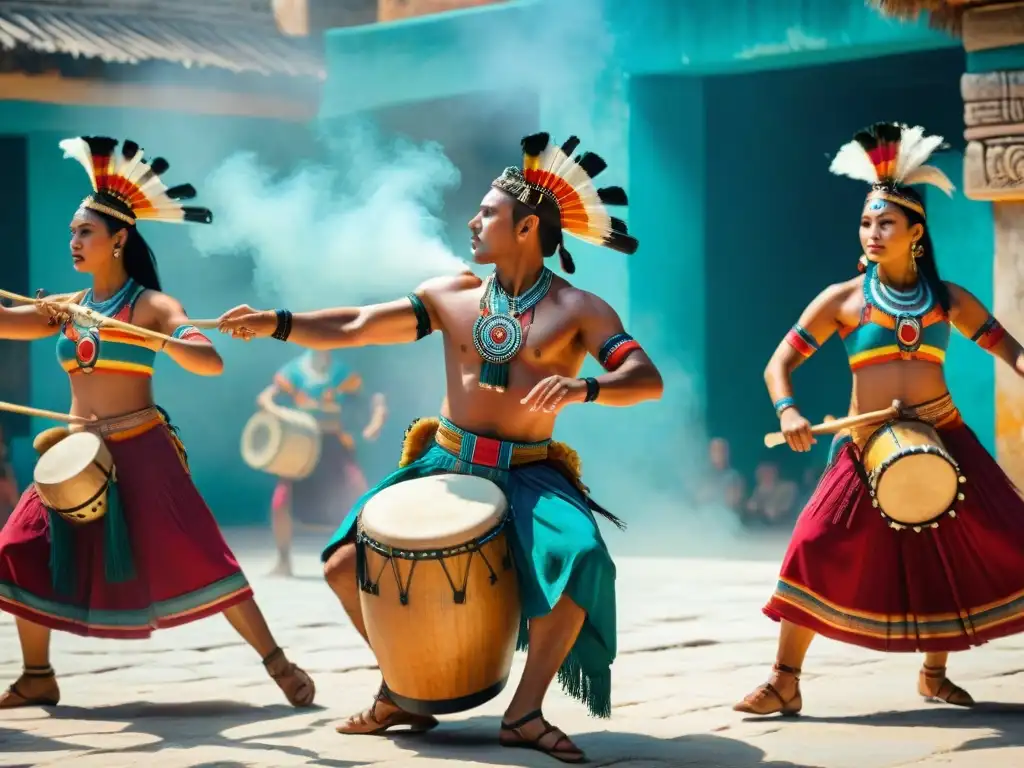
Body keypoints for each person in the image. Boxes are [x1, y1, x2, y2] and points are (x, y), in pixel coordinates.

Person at [218, 131, 663, 762]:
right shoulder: (451, 295)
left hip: (530, 474)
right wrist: (276, 322)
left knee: (585, 558)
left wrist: (584, 386)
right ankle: (404, 689)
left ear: (529, 227)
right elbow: (354, 325)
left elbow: (646, 380)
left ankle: (526, 713)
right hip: (446, 462)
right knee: (343, 563)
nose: (473, 221)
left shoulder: (579, 309)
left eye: (488, 213)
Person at [0, 136, 314, 709]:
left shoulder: (149, 307)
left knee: (199, 552)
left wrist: (171, 338)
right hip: (74, 452)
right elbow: (6, 323)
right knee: (19, 544)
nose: (73, 241)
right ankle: (37, 674)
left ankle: (277, 662)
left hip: (141, 449)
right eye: (71, 232)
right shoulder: (67, 308)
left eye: (85, 232)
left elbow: (207, 360)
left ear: (119, 239)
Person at [734, 122, 1024, 716]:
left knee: (980, 539)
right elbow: (778, 364)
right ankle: (785, 679)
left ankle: (934, 675)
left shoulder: (948, 301)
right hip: (865, 441)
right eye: (866, 221)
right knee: (813, 541)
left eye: (885, 222)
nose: (872, 232)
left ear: (916, 231)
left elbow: (1007, 348)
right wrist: (788, 410)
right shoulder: (844, 300)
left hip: (944, 434)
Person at [257, 348, 387, 576]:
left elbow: (376, 399)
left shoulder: (341, 372)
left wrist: (376, 422)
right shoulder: (295, 370)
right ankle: (283, 561)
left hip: (334, 441)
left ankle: (368, 560)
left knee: (360, 494)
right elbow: (266, 397)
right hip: (303, 444)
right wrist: (277, 412)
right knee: (282, 500)